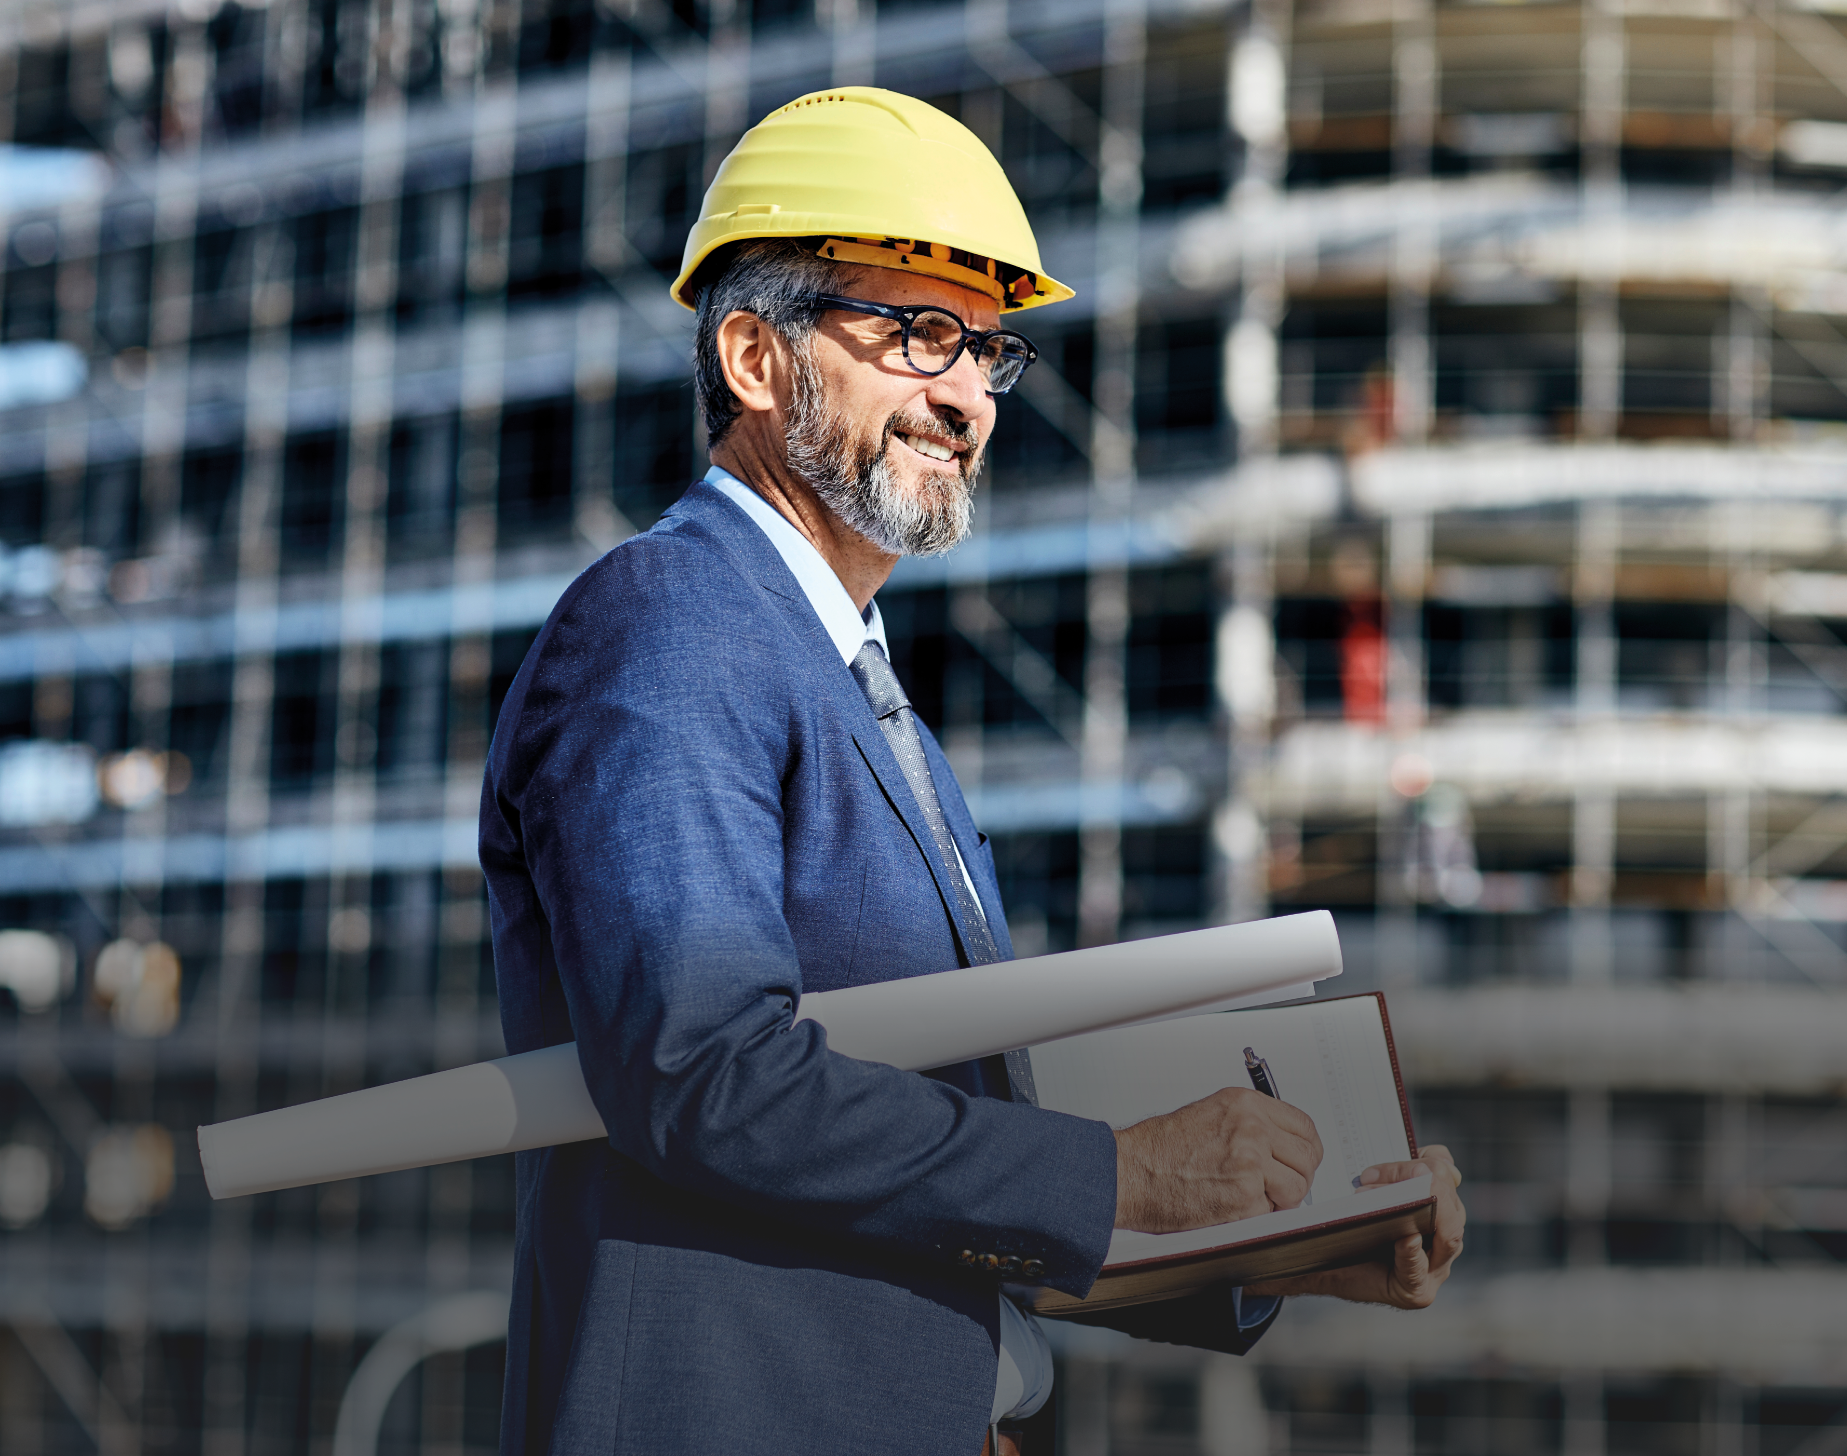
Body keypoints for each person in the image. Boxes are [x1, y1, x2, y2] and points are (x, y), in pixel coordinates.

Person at [479, 87, 1465, 1456]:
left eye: (989, 354)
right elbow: (703, 1071)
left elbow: (939, 1166)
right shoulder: (667, 625)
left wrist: (1275, 1241)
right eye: (915, 333)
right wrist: (1128, 1174)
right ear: (756, 358)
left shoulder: (871, 707)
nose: (962, 395)